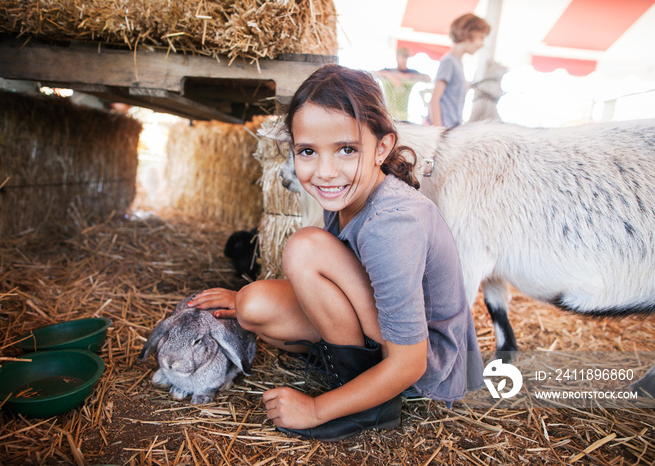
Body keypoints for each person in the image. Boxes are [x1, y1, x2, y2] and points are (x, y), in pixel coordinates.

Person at [189, 64, 484, 441]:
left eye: (346, 149)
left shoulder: (391, 223)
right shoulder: (349, 194)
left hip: (422, 364)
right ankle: (354, 367)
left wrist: (315, 409)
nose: (326, 171)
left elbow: (410, 363)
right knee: (251, 306)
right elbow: (350, 278)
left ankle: (371, 406)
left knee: (305, 248)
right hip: (384, 330)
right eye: (308, 151)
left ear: (382, 148)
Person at [429, 13, 491, 128]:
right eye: (481, 38)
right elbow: (434, 100)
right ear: (469, 33)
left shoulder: (457, 63)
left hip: (453, 128)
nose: (482, 44)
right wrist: (440, 132)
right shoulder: (449, 61)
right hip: (444, 130)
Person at [377, 47, 431, 122]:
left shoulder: (410, 72)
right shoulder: (389, 71)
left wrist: (406, 77)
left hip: (403, 114)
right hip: (388, 113)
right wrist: (390, 76)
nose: (404, 60)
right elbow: (373, 73)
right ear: (397, 57)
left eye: (406, 57)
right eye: (402, 57)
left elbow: (428, 78)